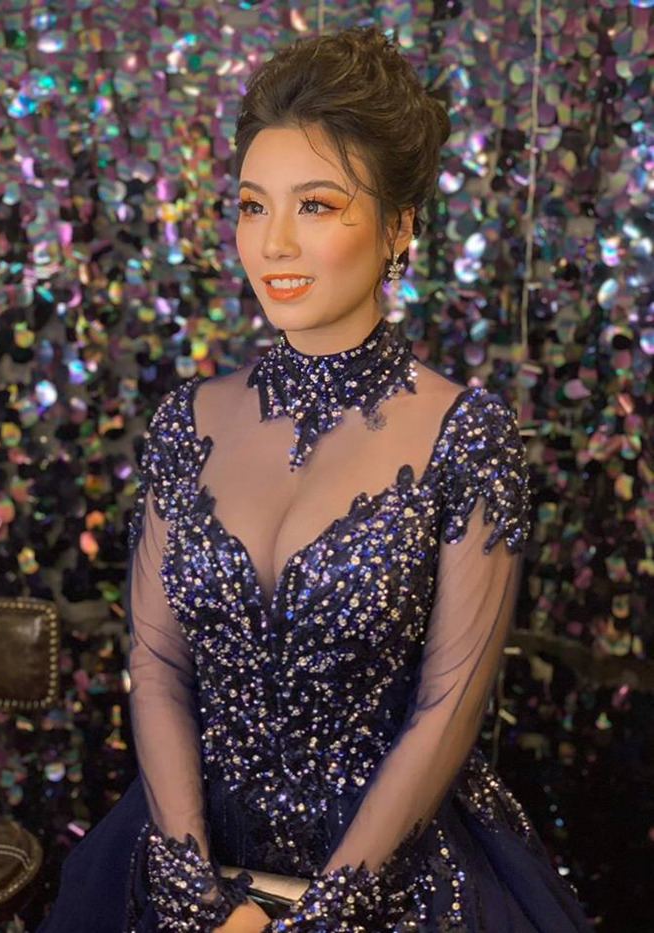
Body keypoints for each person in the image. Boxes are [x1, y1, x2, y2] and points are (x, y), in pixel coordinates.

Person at [37, 25, 593, 933]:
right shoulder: (186, 421)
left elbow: (448, 705)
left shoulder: (468, 434)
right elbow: (158, 663)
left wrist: (327, 913)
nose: (275, 243)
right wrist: (192, 888)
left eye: (318, 205)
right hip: (189, 846)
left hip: (389, 869)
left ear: (399, 226)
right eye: (253, 206)